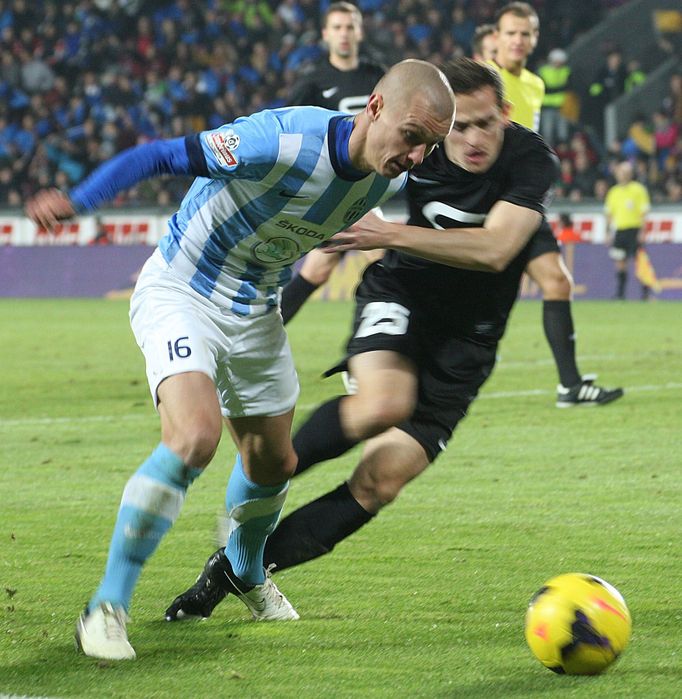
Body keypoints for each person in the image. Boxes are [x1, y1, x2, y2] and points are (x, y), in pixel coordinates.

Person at [25, 59, 456, 661]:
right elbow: (156, 156)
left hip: (256, 313)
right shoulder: (278, 139)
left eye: (429, 145)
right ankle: (106, 606)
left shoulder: (385, 180)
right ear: (376, 107)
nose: (416, 154)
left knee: (274, 462)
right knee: (195, 437)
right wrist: (80, 199)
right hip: (183, 290)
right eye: (413, 135)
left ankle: (247, 573)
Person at [164, 58, 623, 621]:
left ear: (506, 115)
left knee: (381, 481)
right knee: (385, 404)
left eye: (486, 123)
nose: (473, 139)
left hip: (470, 341)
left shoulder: (529, 159)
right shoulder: (412, 147)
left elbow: (498, 250)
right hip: (401, 296)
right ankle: (261, 488)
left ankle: (233, 571)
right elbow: (338, 160)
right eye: (460, 127)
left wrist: (387, 232)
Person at [487, 2, 623, 406]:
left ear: (535, 38)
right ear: (496, 36)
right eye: (510, 32)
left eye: (525, 33)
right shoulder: (480, 78)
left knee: (557, 282)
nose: (518, 40)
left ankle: (570, 385)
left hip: (521, 200)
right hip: (482, 201)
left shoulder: (534, 83)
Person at [281, 2, 386, 324]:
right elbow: (290, 131)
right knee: (385, 254)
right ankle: (372, 344)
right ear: (326, 35)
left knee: (318, 269)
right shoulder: (312, 82)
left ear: (359, 31)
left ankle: (257, 334)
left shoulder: (377, 75)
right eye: (337, 27)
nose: (344, 34)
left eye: (350, 26)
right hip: (331, 188)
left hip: (367, 185)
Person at [605, 160, 651, 300]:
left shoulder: (638, 189)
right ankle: (620, 294)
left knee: (639, 261)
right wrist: (608, 232)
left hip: (634, 229)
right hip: (620, 230)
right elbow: (609, 214)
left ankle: (645, 293)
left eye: (625, 172)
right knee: (620, 261)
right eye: (620, 172)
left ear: (630, 174)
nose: (622, 175)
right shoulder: (613, 192)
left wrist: (643, 231)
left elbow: (644, 212)